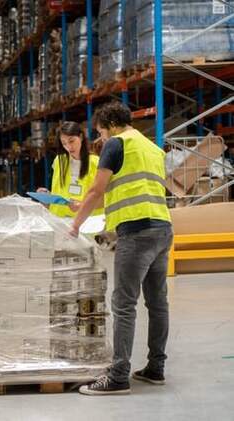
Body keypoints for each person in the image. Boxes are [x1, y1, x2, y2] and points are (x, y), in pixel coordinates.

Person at [69, 102, 173, 395]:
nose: (100, 139)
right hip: (162, 229)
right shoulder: (151, 148)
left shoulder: (116, 144)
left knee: (124, 304)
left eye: (100, 132)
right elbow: (130, 189)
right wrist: (86, 207)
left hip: (136, 233)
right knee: (157, 303)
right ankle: (156, 368)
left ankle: (118, 376)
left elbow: (97, 188)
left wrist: (75, 224)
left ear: (110, 125)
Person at [37, 121, 103, 217]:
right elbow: (60, 192)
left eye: (71, 141)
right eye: (64, 143)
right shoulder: (59, 161)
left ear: (80, 137)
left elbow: (104, 198)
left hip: (87, 222)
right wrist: (48, 197)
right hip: (60, 220)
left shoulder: (95, 163)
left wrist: (82, 205)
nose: (68, 147)